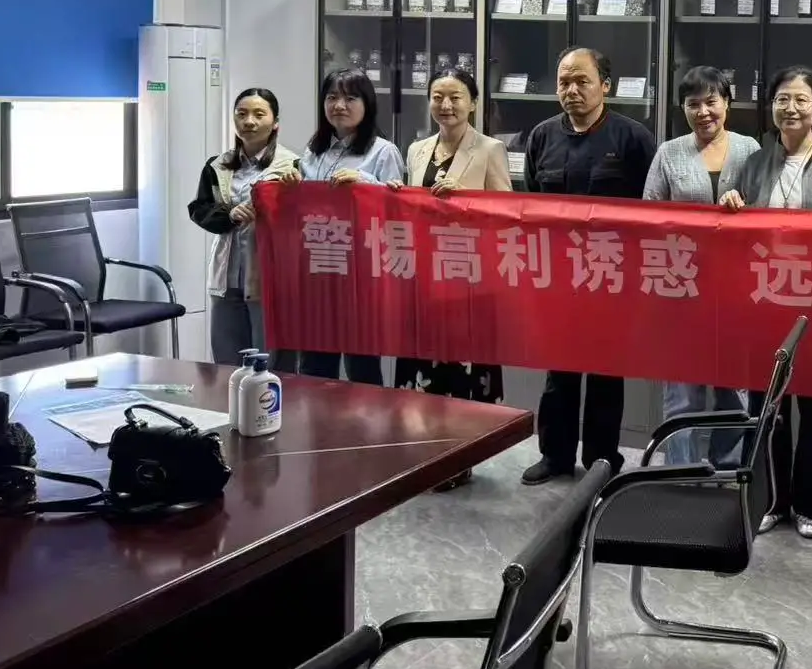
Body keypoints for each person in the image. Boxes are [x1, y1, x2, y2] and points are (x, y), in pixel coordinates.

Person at [722, 64, 812, 538]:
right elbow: (737, 223)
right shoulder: (757, 160)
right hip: (765, 300)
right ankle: (771, 500)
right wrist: (733, 202)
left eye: (801, 100)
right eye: (783, 99)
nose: (791, 108)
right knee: (768, 409)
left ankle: (811, 505)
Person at [521, 47, 657, 484]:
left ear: (606, 86)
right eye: (564, 82)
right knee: (559, 370)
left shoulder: (633, 138)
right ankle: (555, 455)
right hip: (559, 276)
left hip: (611, 275)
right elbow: (530, 205)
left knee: (605, 372)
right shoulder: (542, 136)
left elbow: (653, 210)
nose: (572, 90)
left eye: (582, 81)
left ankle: (602, 459)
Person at [391, 66, 512, 487]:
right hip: (423, 277)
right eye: (438, 96)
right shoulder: (417, 149)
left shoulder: (490, 149)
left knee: (461, 374)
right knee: (422, 369)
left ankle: (459, 459)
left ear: (473, 103)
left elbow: (506, 214)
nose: (446, 105)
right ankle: (423, 456)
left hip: (467, 278)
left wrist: (464, 202)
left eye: (456, 97)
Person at [644, 65, 760, 468]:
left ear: (727, 103)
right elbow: (648, 216)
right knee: (682, 390)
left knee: (734, 390)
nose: (703, 112)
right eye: (693, 104)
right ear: (683, 108)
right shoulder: (669, 153)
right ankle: (680, 470)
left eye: (711, 101)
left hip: (738, 288)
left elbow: (766, 211)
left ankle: (727, 469)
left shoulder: (750, 149)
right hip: (682, 288)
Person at [268, 67, 405, 385]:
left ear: (367, 104)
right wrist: (291, 185)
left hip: (361, 276)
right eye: (331, 98)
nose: (339, 105)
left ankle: (368, 421)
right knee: (314, 366)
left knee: (362, 369)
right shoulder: (314, 150)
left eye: (350, 98)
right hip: (318, 271)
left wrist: (365, 182)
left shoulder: (383, 151)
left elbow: (398, 214)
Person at [188, 87, 298, 365]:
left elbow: (303, 222)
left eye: (259, 114)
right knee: (227, 363)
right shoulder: (218, 165)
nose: (249, 121)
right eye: (242, 114)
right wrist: (230, 214)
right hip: (227, 278)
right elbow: (199, 208)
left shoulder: (293, 166)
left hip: (270, 279)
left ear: (275, 122)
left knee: (271, 365)